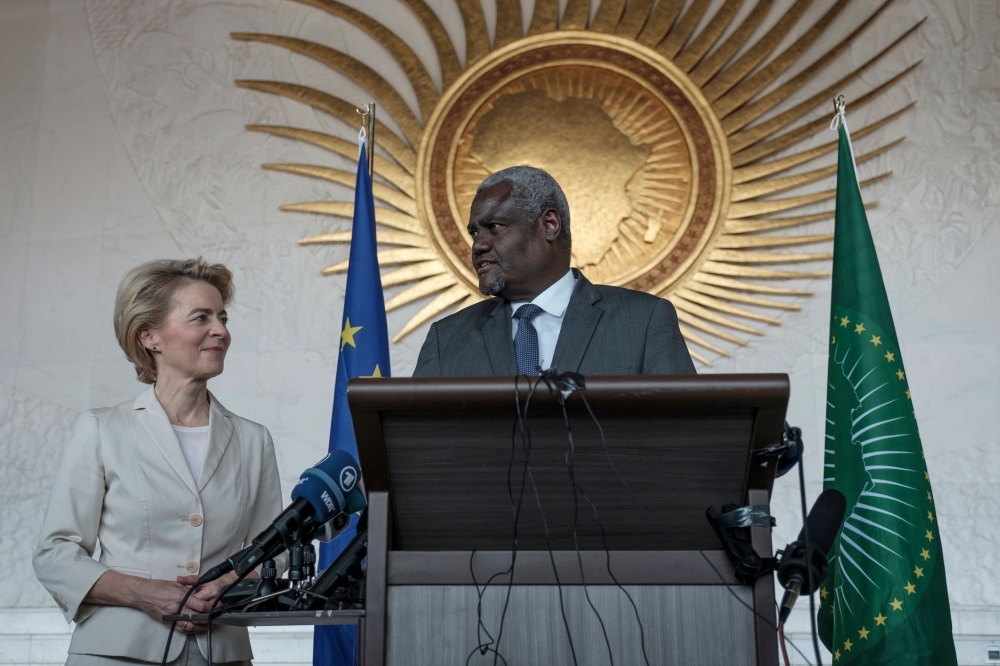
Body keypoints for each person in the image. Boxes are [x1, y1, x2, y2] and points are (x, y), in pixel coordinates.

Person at [33, 259, 283, 666]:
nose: (220, 330)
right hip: (115, 653)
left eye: (222, 317)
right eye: (200, 317)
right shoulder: (101, 429)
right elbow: (55, 552)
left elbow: (274, 553)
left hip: (222, 653)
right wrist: (144, 593)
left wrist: (228, 585)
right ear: (149, 336)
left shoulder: (254, 441)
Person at [413, 167, 695, 377]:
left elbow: (684, 437)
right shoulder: (446, 339)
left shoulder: (643, 322)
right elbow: (418, 447)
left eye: (494, 227)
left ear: (549, 224)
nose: (478, 245)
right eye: (475, 233)